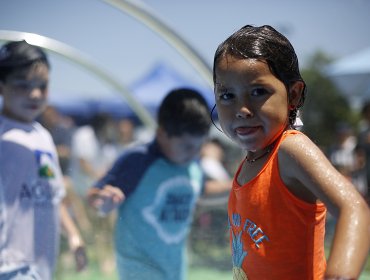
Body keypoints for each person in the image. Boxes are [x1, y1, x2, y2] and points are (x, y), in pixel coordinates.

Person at [212, 25, 370, 280]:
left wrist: (340, 275)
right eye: (227, 95)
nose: (241, 109)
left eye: (258, 92)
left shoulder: (290, 149)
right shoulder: (251, 161)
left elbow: (354, 209)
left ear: (293, 95)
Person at [87, 88, 230, 280]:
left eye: (199, 146)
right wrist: (102, 200)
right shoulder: (139, 161)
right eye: (187, 146)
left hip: (174, 266)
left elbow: (201, 191)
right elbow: (95, 194)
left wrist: (239, 185)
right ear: (161, 134)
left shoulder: (190, 163)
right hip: (138, 266)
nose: (194, 153)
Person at [0, 40, 87, 280]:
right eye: (22, 85)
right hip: (8, 264)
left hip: (42, 263)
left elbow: (53, 194)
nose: (35, 93)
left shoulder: (44, 137)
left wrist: (73, 235)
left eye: (42, 85)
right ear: (1, 86)